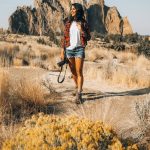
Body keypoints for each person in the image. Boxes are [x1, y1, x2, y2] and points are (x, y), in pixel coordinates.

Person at [60, 3, 91, 104]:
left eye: (74, 9)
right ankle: (78, 87)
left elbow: (88, 37)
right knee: (73, 72)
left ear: (78, 10)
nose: (72, 10)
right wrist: (62, 51)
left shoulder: (83, 22)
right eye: (71, 9)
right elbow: (64, 38)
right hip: (69, 50)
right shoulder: (68, 22)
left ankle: (79, 94)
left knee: (79, 71)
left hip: (79, 49)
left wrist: (81, 29)